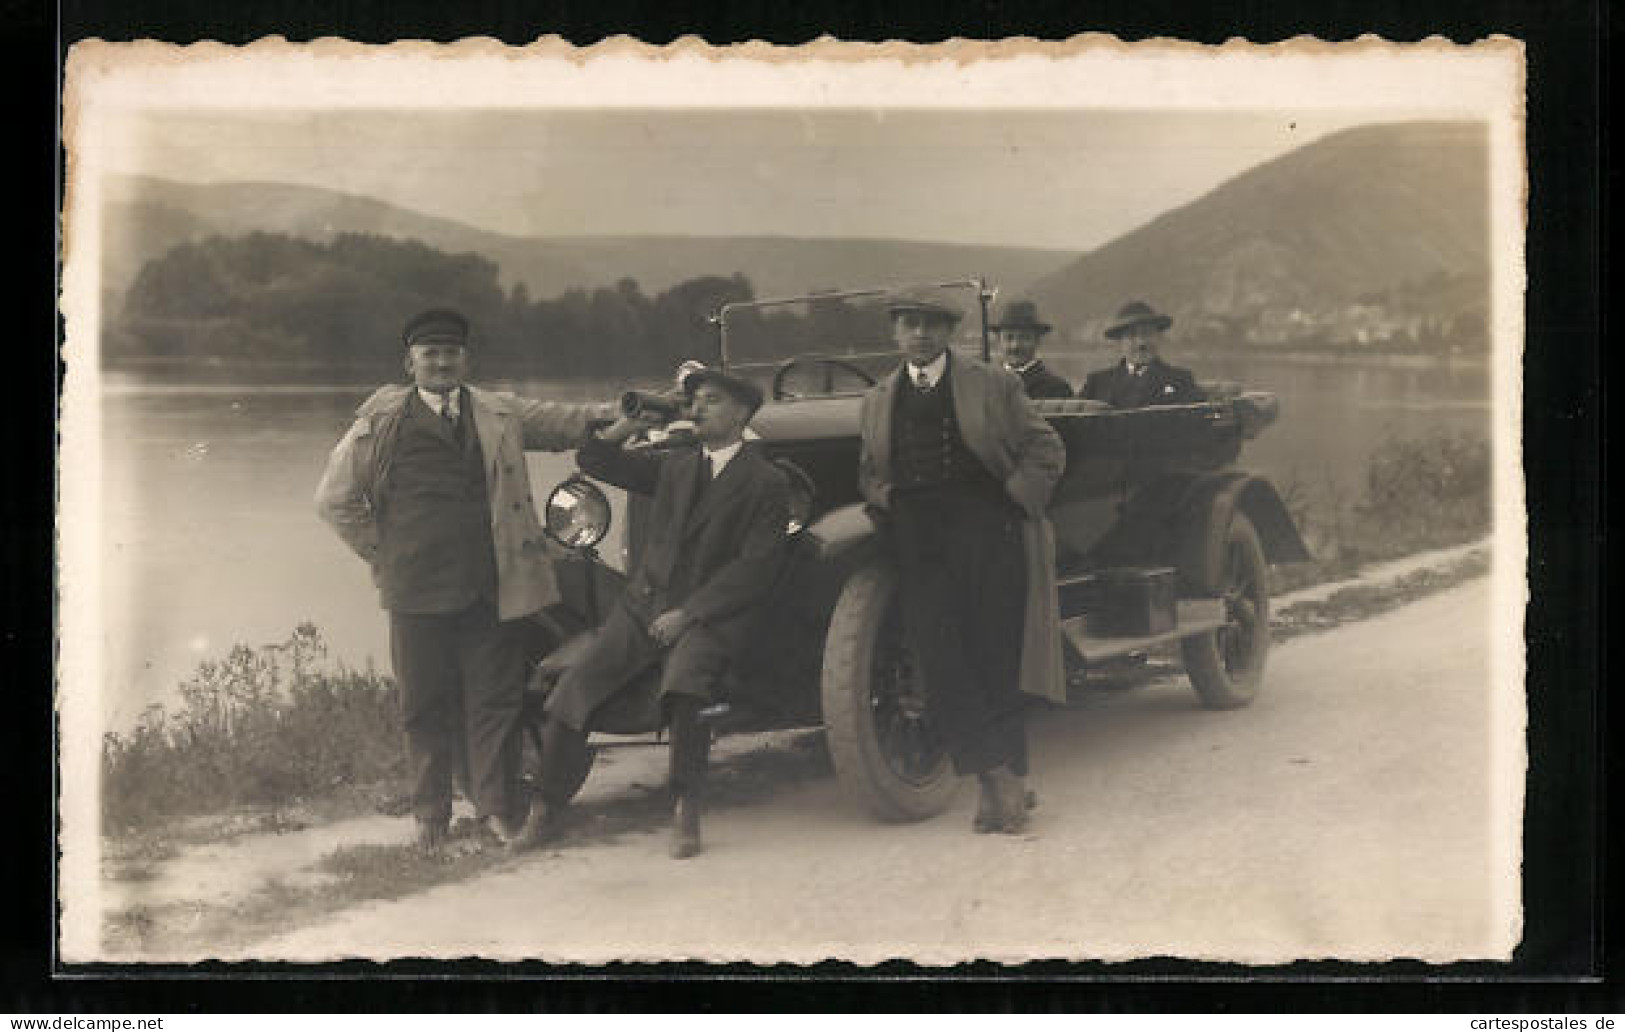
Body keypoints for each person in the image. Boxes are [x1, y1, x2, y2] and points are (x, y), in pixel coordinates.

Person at [314, 308, 616, 852]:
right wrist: (384, 556)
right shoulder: (379, 423)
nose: (442, 361)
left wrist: (622, 413)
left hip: (490, 586)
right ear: (410, 363)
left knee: (494, 700)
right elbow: (335, 502)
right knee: (423, 704)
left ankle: (495, 812)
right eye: (430, 353)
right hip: (414, 589)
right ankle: (430, 817)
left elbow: (563, 420)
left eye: (451, 352)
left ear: (465, 360)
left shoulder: (497, 412)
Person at [521, 368, 790, 859]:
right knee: (577, 682)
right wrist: (628, 424)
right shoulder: (676, 466)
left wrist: (689, 614)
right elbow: (594, 458)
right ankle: (545, 808)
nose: (698, 408)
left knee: (687, 685)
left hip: (710, 615)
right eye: (696, 401)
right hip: (644, 605)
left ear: (741, 414)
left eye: (711, 400)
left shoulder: (766, 482)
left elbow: (754, 570)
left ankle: (686, 807)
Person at [856, 286, 1067, 835]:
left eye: (932, 324)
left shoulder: (994, 383)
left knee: (996, 655)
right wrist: (888, 501)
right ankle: (996, 776)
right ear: (894, 332)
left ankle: (1007, 784)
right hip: (918, 540)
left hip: (986, 533)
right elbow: (869, 472)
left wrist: (1012, 500)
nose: (920, 333)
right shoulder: (877, 398)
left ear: (950, 332)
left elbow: (1046, 449)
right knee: (942, 661)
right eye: (909, 323)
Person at [1080, 300, 1204, 408]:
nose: (1141, 343)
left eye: (1147, 333)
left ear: (1159, 337)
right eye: (1131, 336)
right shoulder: (1097, 383)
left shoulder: (1181, 380)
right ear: (1120, 342)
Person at [991, 299, 1073, 399]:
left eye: (1024, 338)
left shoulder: (1057, 388)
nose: (1015, 346)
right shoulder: (986, 383)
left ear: (1037, 341)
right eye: (1009, 338)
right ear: (998, 341)